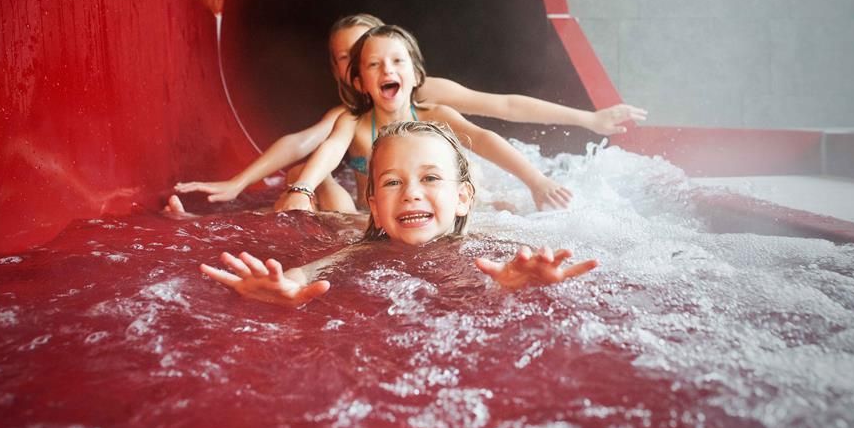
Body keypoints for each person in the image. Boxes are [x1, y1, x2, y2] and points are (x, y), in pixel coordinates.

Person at [173, 14, 647, 208]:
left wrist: (588, 122)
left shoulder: (428, 99)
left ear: (408, 63)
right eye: (354, 59)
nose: (378, 67)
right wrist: (241, 184)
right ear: (348, 72)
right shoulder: (349, 118)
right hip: (386, 210)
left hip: (447, 195)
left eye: (386, 55)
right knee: (308, 180)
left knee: (482, 198)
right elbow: (306, 145)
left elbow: (501, 110)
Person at [199, 121, 598, 306]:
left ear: (462, 199)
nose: (410, 194)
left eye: (430, 178)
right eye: (392, 183)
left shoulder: (490, 248)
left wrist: (525, 285)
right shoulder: (363, 252)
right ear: (374, 206)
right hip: (347, 222)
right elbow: (303, 275)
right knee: (332, 209)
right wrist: (278, 288)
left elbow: (516, 277)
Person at [276, 24, 573, 212]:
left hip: (432, 207)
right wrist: (303, 188)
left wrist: (536, 181)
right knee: (310, 182)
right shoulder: (354, 123)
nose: (387, 70)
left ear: (417, 75)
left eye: (397, 61)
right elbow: (330, 150)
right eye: (374, 64)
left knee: (490, 202)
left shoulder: (435, 115)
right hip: (377, 213)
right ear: (360, 83)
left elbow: (482, 139)